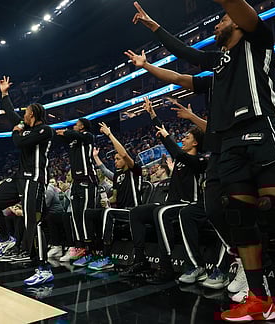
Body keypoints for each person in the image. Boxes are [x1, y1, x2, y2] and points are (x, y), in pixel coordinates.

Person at [131, 1, 275, 321]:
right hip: (231, 144)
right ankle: (260, 300)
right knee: (239, 218)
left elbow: (236, 7)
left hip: (262, 130)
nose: (216, 25)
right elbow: (185, 59)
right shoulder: (218, 63)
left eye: (222, 19)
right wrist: (154, 29)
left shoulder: (258, 39)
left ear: (239, 23)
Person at [121, 98, 206, 285]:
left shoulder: (199, 161)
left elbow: (176, 151)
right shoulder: (181, 158)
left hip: (187, 204)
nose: (183, 139)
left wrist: (168, 138)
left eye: (187, 138)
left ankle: (165, 267)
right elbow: (166, 137)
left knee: (160, 212)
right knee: (137, 212)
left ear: (196, 144)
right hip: (171, 204)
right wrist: (152, 115)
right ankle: (140, 260)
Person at [0, 75, 54, 286]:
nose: (23, 115)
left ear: (33, 115)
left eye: (26, 113)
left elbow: (20, 142)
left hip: (34, 180)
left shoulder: (44, 130)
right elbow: (10, 113)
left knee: (33, 222)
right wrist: (4, 94)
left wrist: (15, 131)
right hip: (19, 179)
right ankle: (5, 239)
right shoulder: (26, 126)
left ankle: (44, 268)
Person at [74, 122, 142, 271]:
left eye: (118, 159)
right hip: (121, 210)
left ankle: (107, 257)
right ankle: (91, 251)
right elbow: (107, 176)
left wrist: (109, 134)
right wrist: (96, 158)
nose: (115, 161)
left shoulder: (135, 170)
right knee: (90, 213)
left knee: (108, 213)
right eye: (115, 159)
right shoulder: (118, 175)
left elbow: (124, 153)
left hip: (133, 211)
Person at [56, 118, 98, 261]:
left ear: (82, 126)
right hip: (76, 182)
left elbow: (76, 135)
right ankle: (78, 246)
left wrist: (66, 132)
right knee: (75, 215)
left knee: (85, 215)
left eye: (76, 124)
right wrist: (60, 134)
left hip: (88, 180)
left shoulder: (87, 136)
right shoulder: (74, 140)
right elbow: (66, 139)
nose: (74, 126)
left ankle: (89, 248)